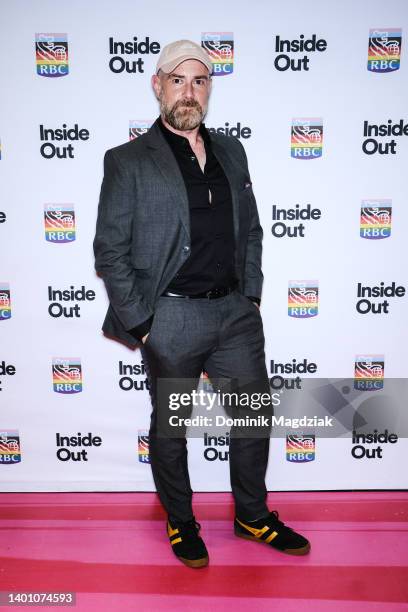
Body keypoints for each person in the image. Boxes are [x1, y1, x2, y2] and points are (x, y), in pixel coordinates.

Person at [94, 39, 310, 568]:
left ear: (209, 88)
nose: (188, 92)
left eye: (199, 81)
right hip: (170, 317)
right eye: (177, 80)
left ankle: (252, 515)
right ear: (157, 84)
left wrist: (252, 296)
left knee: (253, 421)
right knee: (171, 430)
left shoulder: (232, 150)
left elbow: (252, 230)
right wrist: (145, 325)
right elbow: (110, 250)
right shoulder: (127, 161)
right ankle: (181, 521)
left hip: (235, 315)